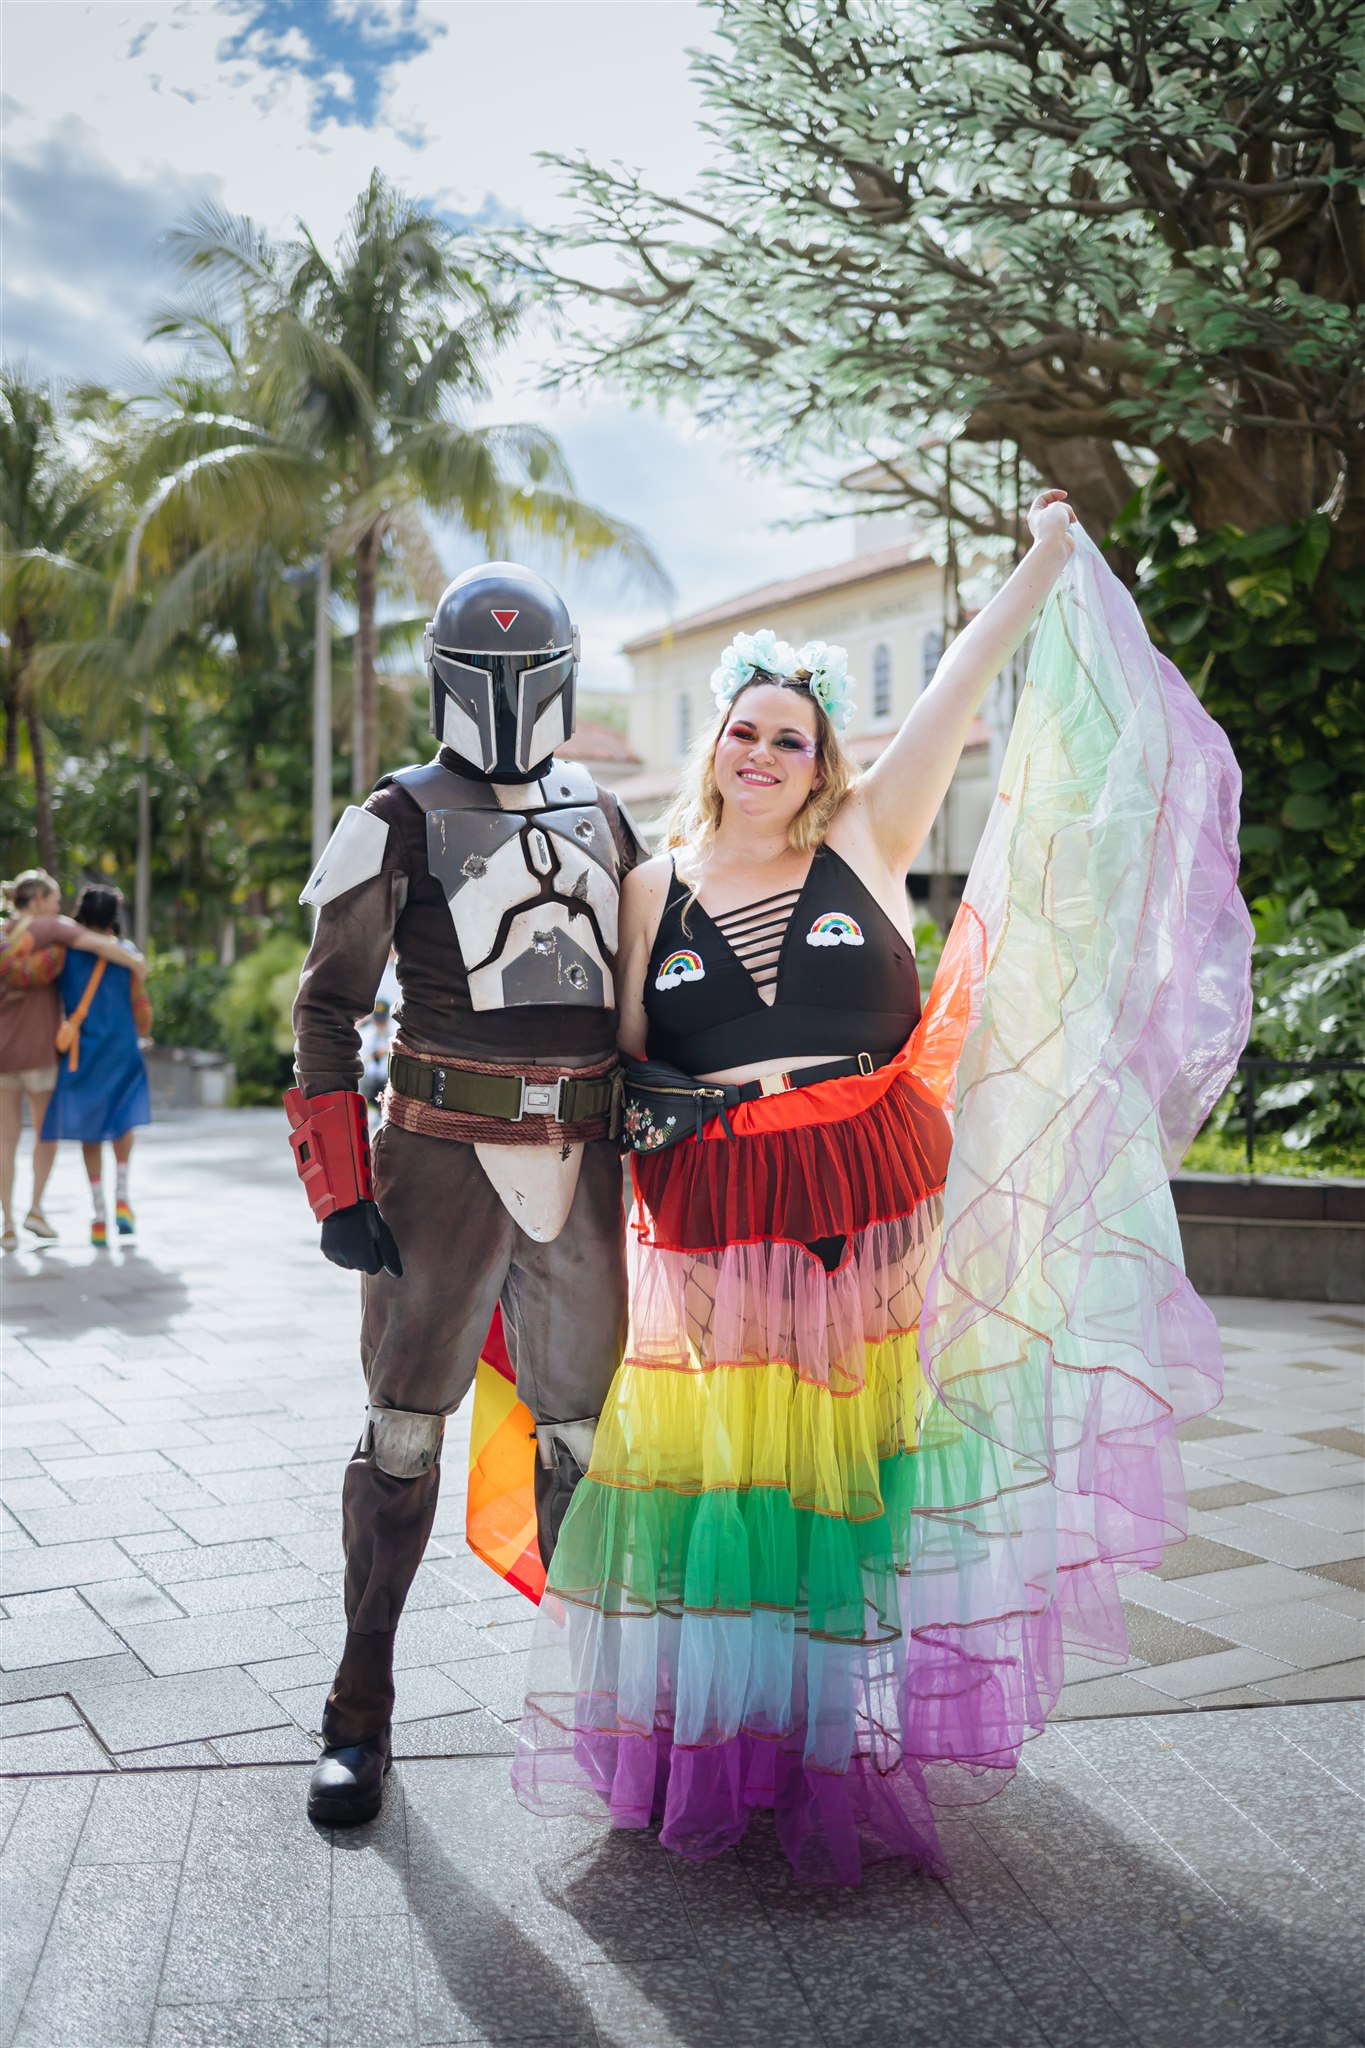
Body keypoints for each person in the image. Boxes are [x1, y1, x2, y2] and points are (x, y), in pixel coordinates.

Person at [512, 492, 1251, 1883]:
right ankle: (730, 1747)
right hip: (720, 1210)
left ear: (821, 758)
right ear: (713, 742)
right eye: (744, 730)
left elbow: (963, 678)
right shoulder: (646, 885)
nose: (763, 754)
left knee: (848, 1481)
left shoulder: (865, 839)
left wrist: (1042, 560)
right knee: (727, 1485)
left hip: (867, 1201)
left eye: (791, 738)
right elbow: (614, 1062)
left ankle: (832, 1744)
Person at [288, 561, 647, 1828]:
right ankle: (358, 1707)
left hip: (586, 1164)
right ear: (446, 675)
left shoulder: (608, 815)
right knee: (401, 1435)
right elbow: (325, 1004)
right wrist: (338, 1185)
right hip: (438, 1161)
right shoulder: (398, 811)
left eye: (522, 671)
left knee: (586, 1446)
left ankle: (599, 1712)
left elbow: (651, 996)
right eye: (481, 670)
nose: (503, 695)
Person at [0, 870, 145, 1249]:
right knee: (82, 1127)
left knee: (22, 1138)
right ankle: (54, 1206)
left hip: (40, 1053)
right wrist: (135, 963)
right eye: (52, 898)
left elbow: (29, 976)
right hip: (79, 1051)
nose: (57, 906)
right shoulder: (71, 937)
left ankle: (25, 1224)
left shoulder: (31, 945)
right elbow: (138, 1005)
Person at [40, 885, 152, 1246]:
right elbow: (141, 1006)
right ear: (114, 916)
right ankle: (122, 1198)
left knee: (91, 1129)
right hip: (122, 1047)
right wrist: (143, 1034)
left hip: (83, 1051)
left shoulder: (64, 952)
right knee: (122, 1119)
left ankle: (99, 1214)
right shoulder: (128, 953)